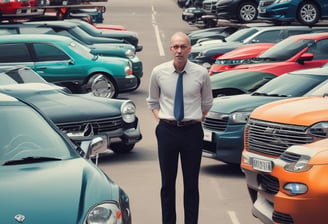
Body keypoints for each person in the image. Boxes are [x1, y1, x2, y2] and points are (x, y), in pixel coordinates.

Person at [146, 32, 213, 224]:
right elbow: (152, 101)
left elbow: (207, 103)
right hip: (167, 131)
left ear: (189, 49)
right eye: (175, 47)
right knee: (167, 184)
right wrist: (163, 119)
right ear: (170, 49)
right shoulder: (159, 72)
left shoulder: (201, 73)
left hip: (192, 132)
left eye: (183, 46)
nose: (179, 51)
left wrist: (194, 119)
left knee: (191, 184)